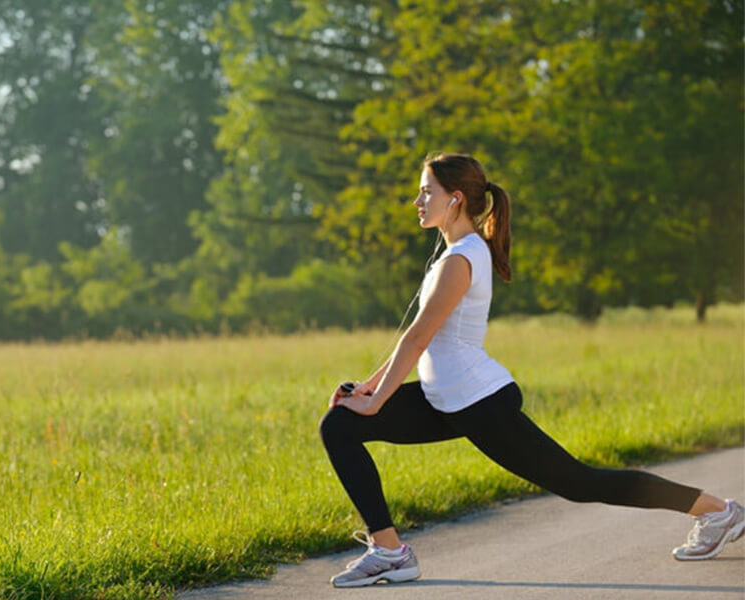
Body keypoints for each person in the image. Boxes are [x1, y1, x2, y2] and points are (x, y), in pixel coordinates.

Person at [318, 152, 744, 588]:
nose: (417, 201)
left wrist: (377, 401)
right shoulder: (458, 254)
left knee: (581, 482)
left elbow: (419, 337)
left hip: (479, 403)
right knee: (340, 425)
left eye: (427, 191)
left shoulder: (460, 260)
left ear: (456, 199)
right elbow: (418, 337)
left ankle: (719, 512)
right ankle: (390, 550)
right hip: (445, 398)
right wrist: (366, 391)